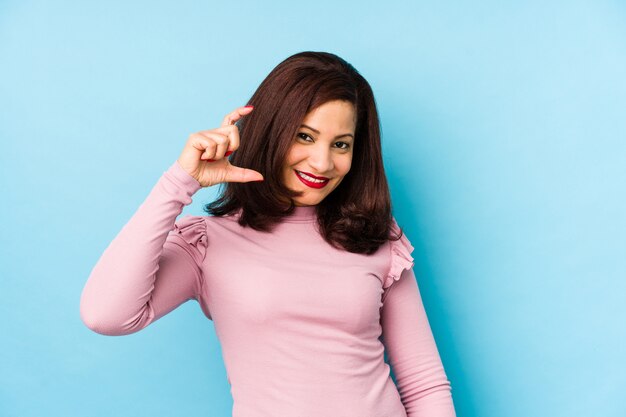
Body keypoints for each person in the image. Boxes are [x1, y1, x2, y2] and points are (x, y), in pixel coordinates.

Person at [80, 51, 456, 417]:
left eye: (340, 144)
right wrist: (180, 181)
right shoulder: (208, 244)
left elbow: (424, 383)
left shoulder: (374, 236)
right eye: (305, 137)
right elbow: (106, 315)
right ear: (272, 132)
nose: (322, 162)